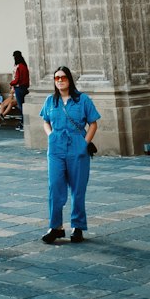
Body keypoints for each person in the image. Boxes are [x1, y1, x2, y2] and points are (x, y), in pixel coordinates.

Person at [40, 66, 100, 243]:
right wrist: (50, 135)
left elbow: (93, 124)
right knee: (55, 186)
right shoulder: (51, 101)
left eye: (63, 77)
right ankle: (56, 227)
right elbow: (45, 121)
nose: (59, 80)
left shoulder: (82, 100)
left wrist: (84, 144)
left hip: (77, 146)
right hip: (56, 147)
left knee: (77, 189)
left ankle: (78, 226)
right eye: (56, 78)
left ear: (69, 79)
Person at [0, 50, 30, 127]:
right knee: (22, 106)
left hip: (19, 87)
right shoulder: (24, 66)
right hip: (24, 87)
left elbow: (17, 79)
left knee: (21, 106)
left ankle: (23, 122)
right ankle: (22, 122)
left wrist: (11, 83)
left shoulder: (18, 67)